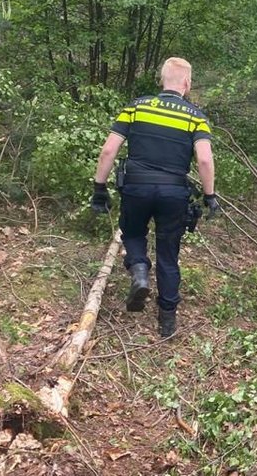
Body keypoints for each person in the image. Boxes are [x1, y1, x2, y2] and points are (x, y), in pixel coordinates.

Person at [89, 57, 219, 338]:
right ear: (187, 83)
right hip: (174, 193)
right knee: (168, 254)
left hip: (136, 187)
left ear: (162, 80)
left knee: (133, 233)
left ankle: (138, 270)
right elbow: (205, 160)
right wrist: (210, 196)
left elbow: (108, 151)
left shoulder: (135, 107)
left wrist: (99, 189)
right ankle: (167, 321)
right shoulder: (195, 116)